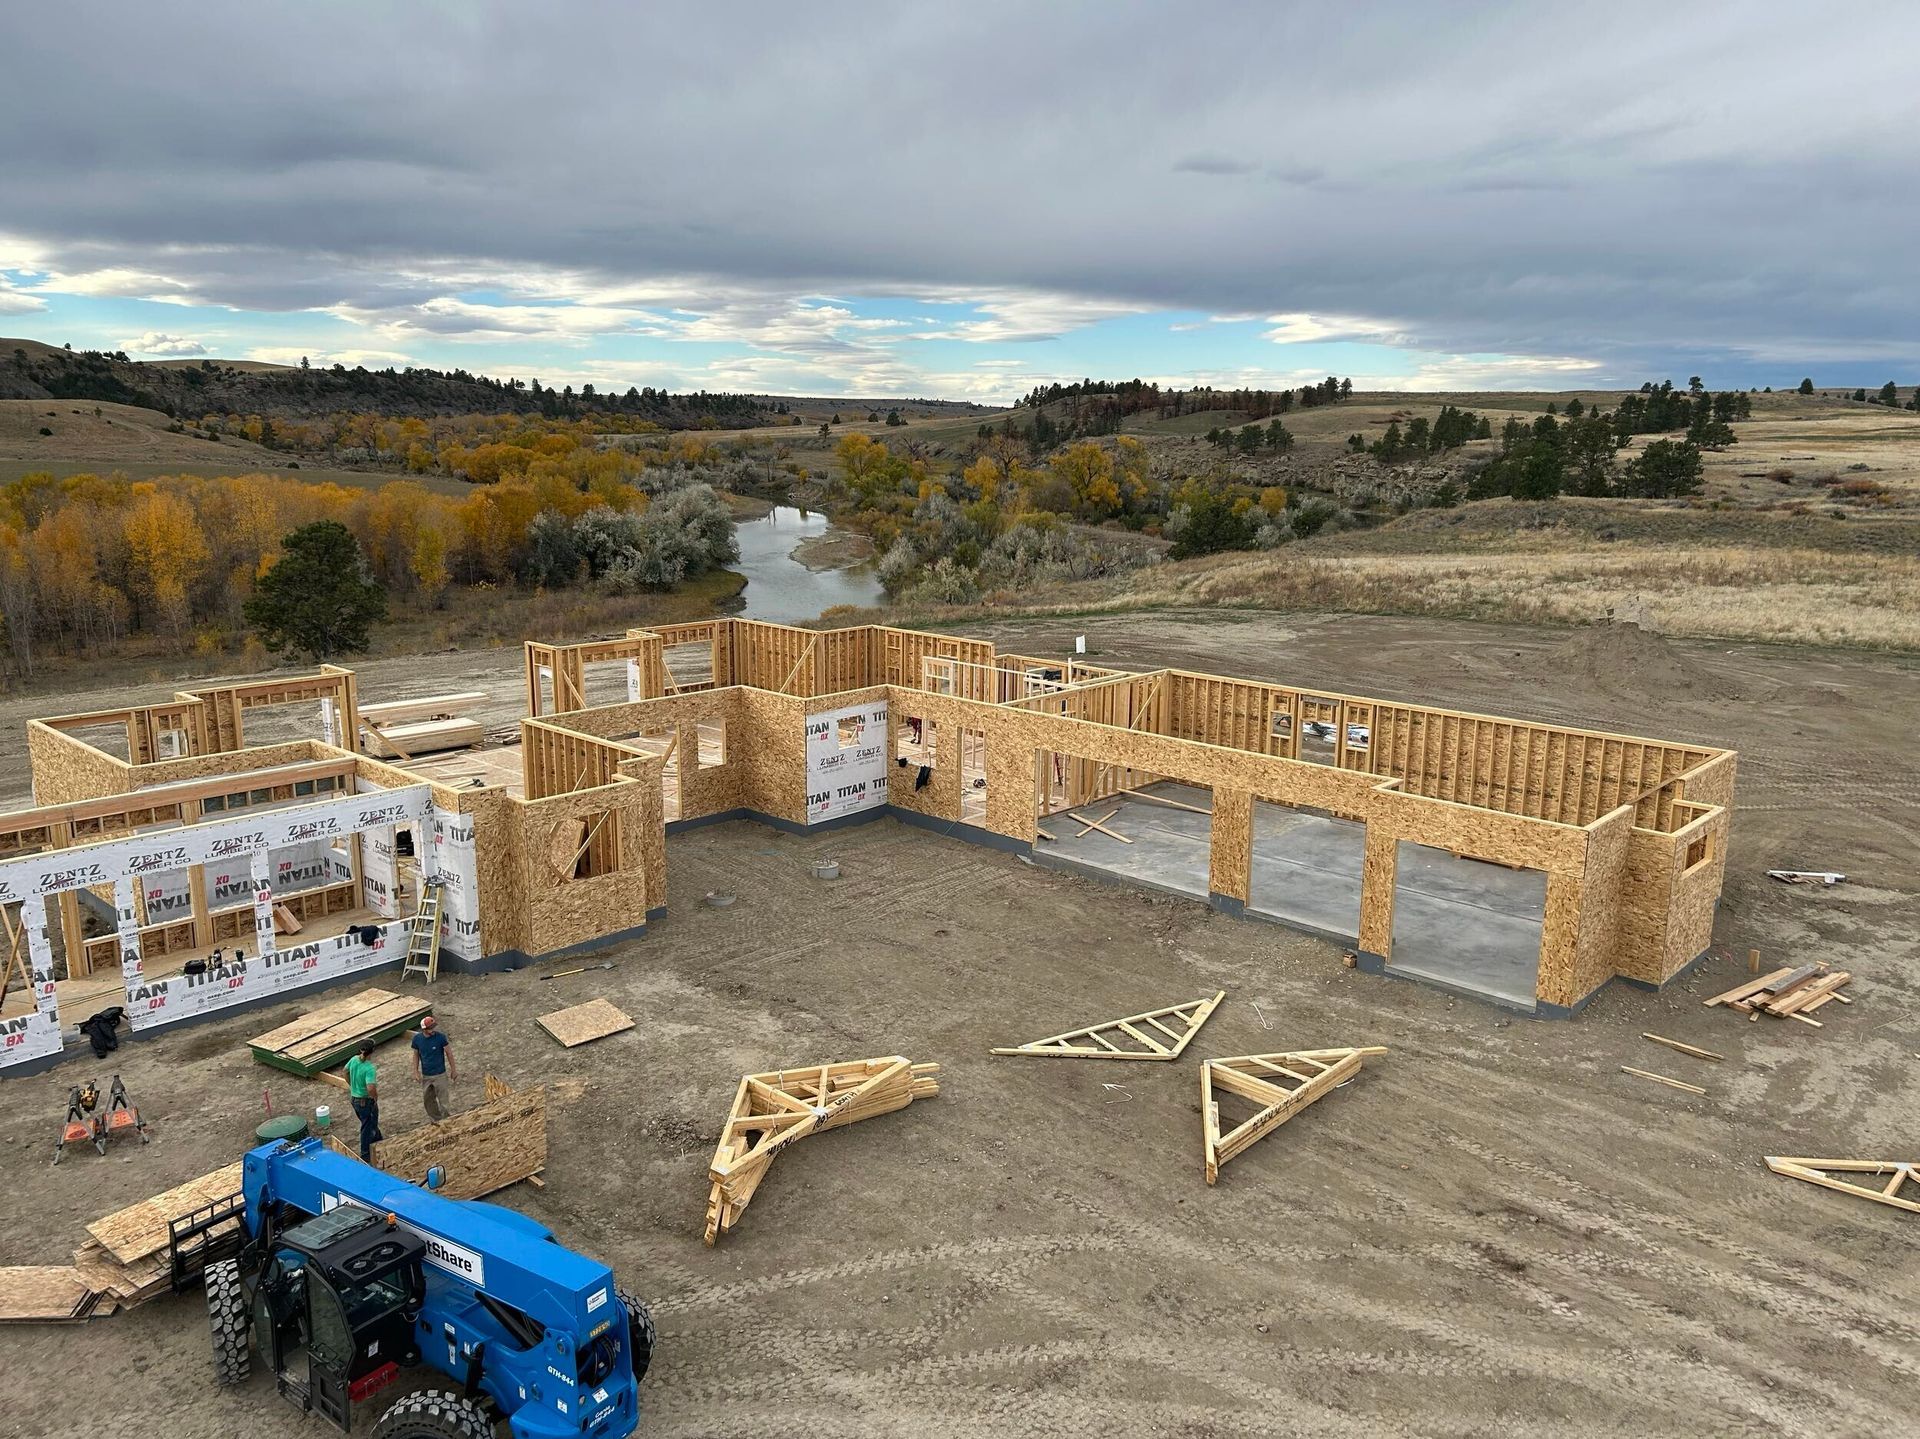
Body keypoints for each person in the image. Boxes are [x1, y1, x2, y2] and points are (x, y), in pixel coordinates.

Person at [410, 1014, 457, 1122]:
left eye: (433, 1027)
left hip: (440, 1074)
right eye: (430, 1028)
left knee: (443, 1101)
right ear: (424, 1029)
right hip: (426, 1075)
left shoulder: (440, 1037)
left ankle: (447, 1120)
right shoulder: (417, 1039)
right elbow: (416, 1055)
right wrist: (416, 1071)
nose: (433, 1030)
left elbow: (449, 1053)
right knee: (428, 1101)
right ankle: (436, 1120)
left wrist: (453, 1070)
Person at [345, 1040, 382, 1161]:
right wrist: (374, 1096)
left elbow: (345, 1071)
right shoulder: (369, 1068)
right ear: (372, 1051)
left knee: (369, 1122)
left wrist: (352, 1085)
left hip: (354, 1099)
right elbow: (370, 1087)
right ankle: (365, 1155)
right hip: (365, 1101)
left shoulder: (354, 1059)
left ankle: (379, 1140)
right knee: (367, 1127)